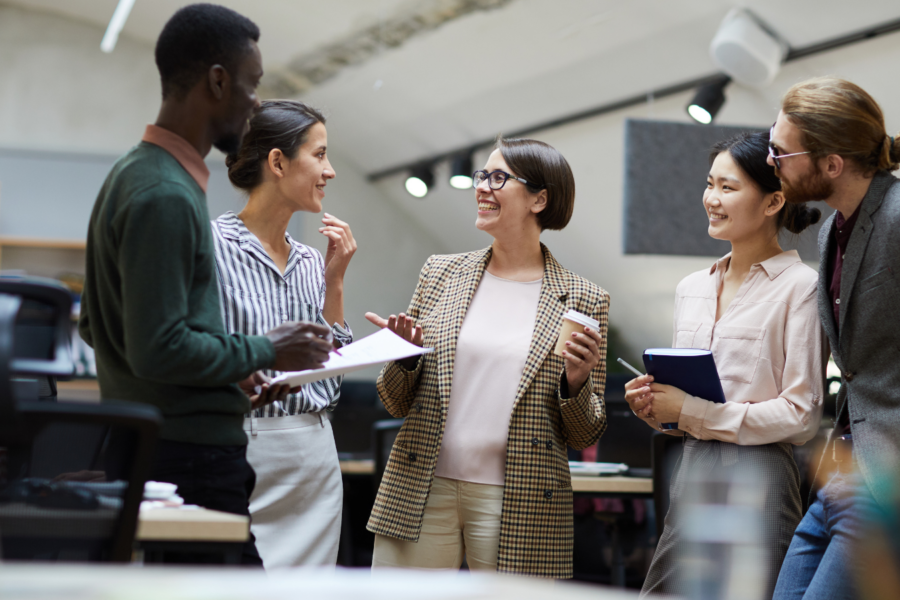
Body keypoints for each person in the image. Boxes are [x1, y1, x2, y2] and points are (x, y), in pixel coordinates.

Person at [78, 5, 334, 565]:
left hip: (163, 448)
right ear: (218, 81)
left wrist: (230, 372)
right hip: (189, 458)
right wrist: (269, 349)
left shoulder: (134, 173)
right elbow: (159, 345)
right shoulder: (166, 194)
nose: (256, 104)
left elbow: (97, 325)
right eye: (252, 85)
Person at [364, 137, 608, 578]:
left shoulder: (584, 299)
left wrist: (576, 381)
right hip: (422, 485)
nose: (482, 187)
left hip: (519, 498)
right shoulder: (440, 273)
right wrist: (403, 359)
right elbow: (394, 400)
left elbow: (584, 431)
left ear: (540, 198)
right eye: (482, 175)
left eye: (499, 178)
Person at [625, 131, 825, 597]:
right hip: (692, 467)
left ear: (774, 201)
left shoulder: (801, 287)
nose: (711, 199)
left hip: (762, 474)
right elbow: (688, 398)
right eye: (709, 184)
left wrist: (691, 411)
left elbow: (801, 414)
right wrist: (656, 405)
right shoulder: (690, 287)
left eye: (728, 188)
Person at [769, 77, 900, 600]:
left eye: (783, 150)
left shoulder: (897, 216)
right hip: (840, 469)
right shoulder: (830, 232)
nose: (771, 158)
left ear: (831, 164)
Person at [211, 99, 356, 568]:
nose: (329, 170)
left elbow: (329, 385)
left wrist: (334, 284)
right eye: (319, 154)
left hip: (314, 458)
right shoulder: (210, 247)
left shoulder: (314, 261)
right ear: (277, 162)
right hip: (241, 450)